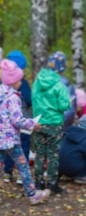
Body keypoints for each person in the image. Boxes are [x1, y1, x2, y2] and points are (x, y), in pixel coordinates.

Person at [0, 59, 50, 205]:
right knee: (23, 165)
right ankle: (32, 194)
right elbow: (17, 120)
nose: (21, 82)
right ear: (13, 81)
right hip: (10, 139)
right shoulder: (13, 97)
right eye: (20, 79)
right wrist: (33, 124)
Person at [32, 52, 71, 194]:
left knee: (40, 153)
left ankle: (38, 182)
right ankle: (53, 183)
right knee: (53, 154)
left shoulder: (37, 81)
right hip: (54, 123)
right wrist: (69, 103)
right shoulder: (59, 84)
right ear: (61, 68)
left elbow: (34, 100)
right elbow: (64, 105)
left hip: (38, 122)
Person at [3, 50, 32, 185]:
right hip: (23, 121)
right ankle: (21, 174)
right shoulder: (22, 83)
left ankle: (8, 173)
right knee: (24, 146)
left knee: (9, 147)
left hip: (8, 123)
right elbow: (28, 100)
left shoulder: (2, 85)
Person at [46, 51, 77, 131]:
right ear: (64, 66)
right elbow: (69, 111)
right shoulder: (67, 87)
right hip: (61, 129)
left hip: (45, 128)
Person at [59, 115, 86, 184]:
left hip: (60, 167)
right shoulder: (84, 137)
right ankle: (81, 176)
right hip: (75, 169)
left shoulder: (70, 133)